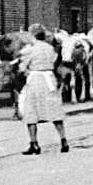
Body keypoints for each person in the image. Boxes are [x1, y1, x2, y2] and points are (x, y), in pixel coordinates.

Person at [18, 24, 69, 154]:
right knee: (54, 109)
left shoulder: (29, 50)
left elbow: (22, 67)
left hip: (36, 80)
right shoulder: (50, 48)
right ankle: (63, 140)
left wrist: (26, 70)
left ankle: (34, 144)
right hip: (50, 80)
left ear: (32, 35)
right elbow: (54, 61)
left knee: (31, 111)